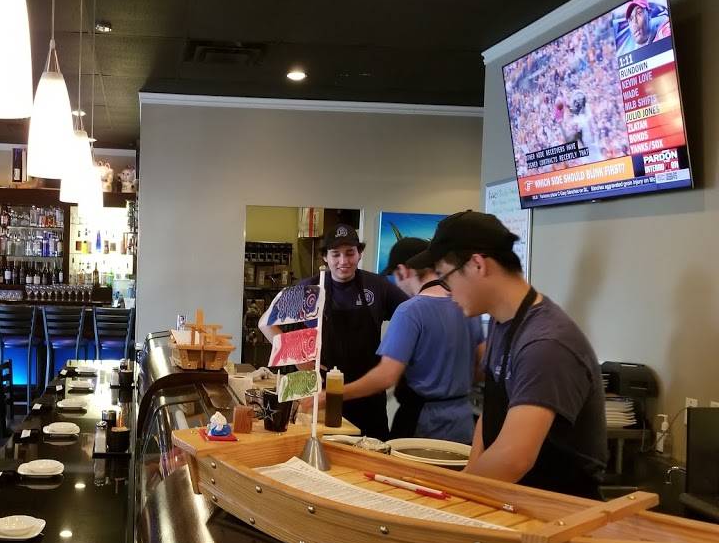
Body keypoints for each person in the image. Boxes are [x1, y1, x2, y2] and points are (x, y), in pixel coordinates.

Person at [428, 211, 606, 498]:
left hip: (556, 507)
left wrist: (454, 496)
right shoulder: (502, 322)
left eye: (445, 278)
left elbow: (513, 458)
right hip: (511, 497)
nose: (448, 292)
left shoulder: (546, 344)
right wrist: (469, 474)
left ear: (477, 265)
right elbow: (492, 414)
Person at [321, 237, 484, 443]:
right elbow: (481, 365)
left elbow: (386, 376)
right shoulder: (467, 305)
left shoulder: (410, 311)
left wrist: (332, 395)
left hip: (423, 423)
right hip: (463, 421)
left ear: (402, 271)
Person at [259, 223, 406, 439]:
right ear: (325, 257)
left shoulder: (378, 287)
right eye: (335, 254)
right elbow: (265, 323)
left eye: (350, 253)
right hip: (321, 395)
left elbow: (410, 315)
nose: (343, 261)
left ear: (359, 253)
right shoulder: (308, 290)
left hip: (366, 395)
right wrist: (297, 354)